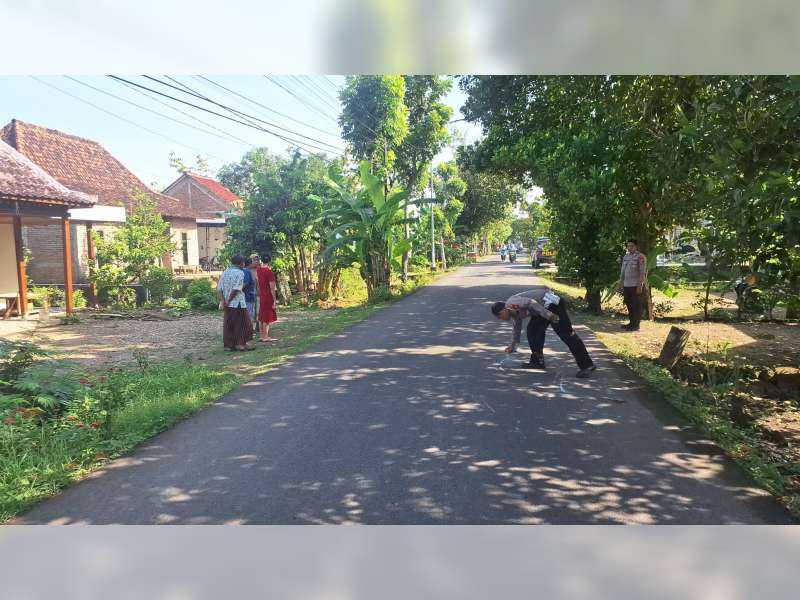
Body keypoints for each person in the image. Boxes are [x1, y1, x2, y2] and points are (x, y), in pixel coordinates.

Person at [491, 286, 596, 377]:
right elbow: (516, 328)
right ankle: (537, 361)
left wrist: (548, 315)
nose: (501, 319)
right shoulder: (513, 313)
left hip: (552, 303)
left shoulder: (511, 303)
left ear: (503, 310)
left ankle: (587, 365)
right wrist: (512, 345)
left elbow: (531, 303)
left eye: (500, 317)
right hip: (540, 309)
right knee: (533, 331)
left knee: (566, 333)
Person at [216, 255, 254, 351]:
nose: (244, 264)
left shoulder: (225, 272)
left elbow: (219, 288)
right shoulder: (240, 273)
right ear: (240, 263)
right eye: (243, 262)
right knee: (243, 324)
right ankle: (240, 344)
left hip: (227, 303)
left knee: (229, 323)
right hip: (238, 302)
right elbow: (236, 289)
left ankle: (228, 345)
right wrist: (229, 300)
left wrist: (223, 301)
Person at [618, 238, 647, 331]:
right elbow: (623, 271)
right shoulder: (626, 257)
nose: (629, 248)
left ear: (636, 246)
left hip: (635, 285)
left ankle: (636, 325)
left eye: (632, 246)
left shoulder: (640, 257)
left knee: (636, 305)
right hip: (627, 285)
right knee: (629, 304)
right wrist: (621, 282)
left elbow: (642, 272)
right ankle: (631, 323)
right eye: (628, 246)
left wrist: (640, 285)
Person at [255, 253, 278, 343]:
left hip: (262, 295)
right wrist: (274, 300)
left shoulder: (258, 270)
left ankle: (262, 336)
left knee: (261, 316)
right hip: (268, 296)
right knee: (266, 317)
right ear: (269, 261)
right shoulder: (269, 272)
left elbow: (258, 283)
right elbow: (272, 288)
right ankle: (266, 336)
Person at [242, 256, 258, 327]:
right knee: (249, 314)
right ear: (250, 264)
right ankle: (249, 330)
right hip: (248, 296)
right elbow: (246, 283)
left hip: (246, 296)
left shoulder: (243, 271)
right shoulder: (247, 271)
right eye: (252, 262)